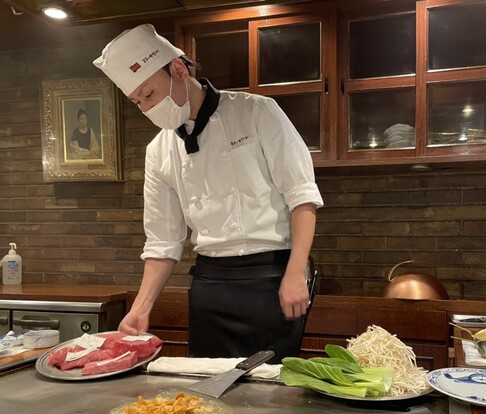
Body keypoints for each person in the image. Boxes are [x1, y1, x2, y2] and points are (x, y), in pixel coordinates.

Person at [93, 24, 323, 362]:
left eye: (149, 94)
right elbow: (163, 241)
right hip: (210, 285)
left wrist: (295, 271)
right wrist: (141, 308)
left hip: (272, 279)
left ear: (179, 70)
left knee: (272, 385)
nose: (146, 108)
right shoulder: (158, 151)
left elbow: (301, 198)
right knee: (207, 386)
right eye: (137, 102)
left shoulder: (257, 112)